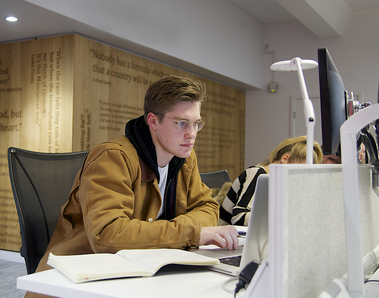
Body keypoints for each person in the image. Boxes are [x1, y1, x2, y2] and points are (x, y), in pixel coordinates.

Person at [34, 75, 239, 273]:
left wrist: (179, 233)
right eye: (181, 123)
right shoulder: (113, 157)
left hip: (141, 268)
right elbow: (108, 235)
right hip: (80, 274)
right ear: (153, 121)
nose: (192, 134)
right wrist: (191, 233)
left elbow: (207, 206)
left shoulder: (184, 157)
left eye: (196, 124)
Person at [219, 136, 323, 226]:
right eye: (299, 170)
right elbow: (238, 217)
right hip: (225, 239)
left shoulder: (279, 184)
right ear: (285, 159)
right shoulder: (256, 174)